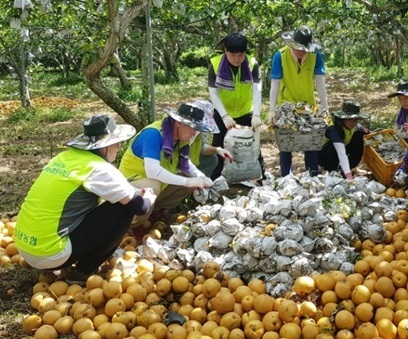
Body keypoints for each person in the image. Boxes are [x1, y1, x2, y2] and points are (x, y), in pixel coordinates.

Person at [14, 115, 157, 283]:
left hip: (24, 247)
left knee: (117, 201)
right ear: (105, 146)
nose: (119, 147)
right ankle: (81, 273)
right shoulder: (99, 168)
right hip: (50, 253)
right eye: (117, 143)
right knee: (124, 208)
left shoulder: (62, 158)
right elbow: (141, 208)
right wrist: (149, 194)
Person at [119, 102, 216, 232]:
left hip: (155, 189)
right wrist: (187, 181)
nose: (195, 132)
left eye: (197, 128)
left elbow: (185, 164)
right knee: (153, 185)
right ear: (178, 122)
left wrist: (200, 176)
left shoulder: (181, 137)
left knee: (191, 181)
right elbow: (152, 171)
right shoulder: (153, 134)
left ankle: (156, 212)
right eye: (192, 127)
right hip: (130, 187)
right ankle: (130, 225)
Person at [269, 25, 328, 177]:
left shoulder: (316, 56)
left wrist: (325, 107)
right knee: (286, 142)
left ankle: (312, 174)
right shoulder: (280, 56)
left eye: (304, 49)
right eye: (298, 48)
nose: (301, 52)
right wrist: (271, 109)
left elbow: (320, 82)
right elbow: (275, 84)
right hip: (286, 105)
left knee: (311, 142)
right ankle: (286, 176)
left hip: (308, 105)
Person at [207, 32, 264, 180]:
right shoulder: (215, 64)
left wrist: (257, 114)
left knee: (253, 144)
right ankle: (215, 180)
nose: (237, 59)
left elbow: (257, 90)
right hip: (223, 111)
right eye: (233, 55)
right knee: (218, 145)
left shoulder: (252, 64)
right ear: (225, 51)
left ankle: (260, 176)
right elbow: (214, 94)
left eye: (241, 55)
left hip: (246, 110)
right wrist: (224, 115)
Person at [318, 101, 370, 180]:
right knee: (334, 148)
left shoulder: (352, 124)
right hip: (324, 155)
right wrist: (348, 176)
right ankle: (332, 171)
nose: (353, 123)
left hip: (343, 147)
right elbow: (341, 153)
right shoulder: (334, 129)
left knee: (359, 136)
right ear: (342, 118)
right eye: (350, 120)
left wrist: (364, 129)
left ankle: (348, 168)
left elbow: (357, 125)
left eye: (356, 120)